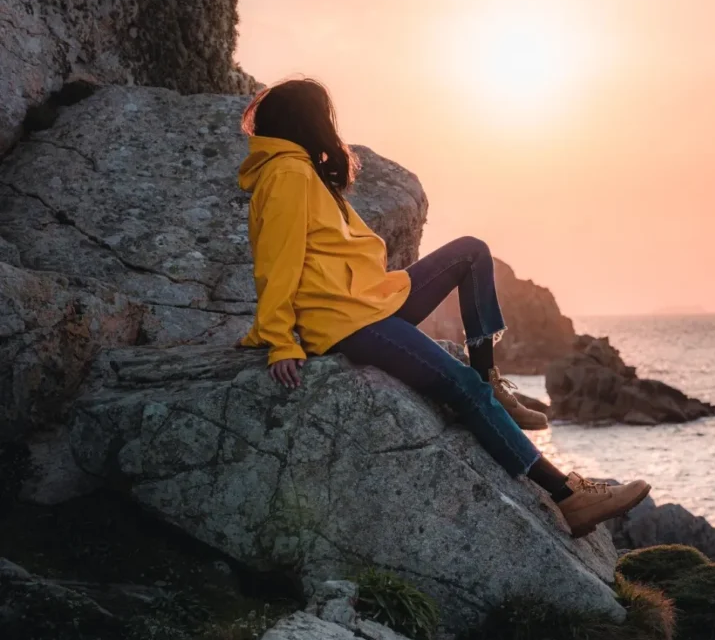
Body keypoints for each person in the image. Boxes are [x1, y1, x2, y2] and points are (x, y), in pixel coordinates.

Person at [238, 77, 650, 538]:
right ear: (309, 122)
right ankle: (567, 496)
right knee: (460, 388)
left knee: (470, 252)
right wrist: (279, 343)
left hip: (370, 302)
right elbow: (277, 262)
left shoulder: (300, 171)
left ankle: (488, 378)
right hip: (345, 322)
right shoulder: (289, 175)